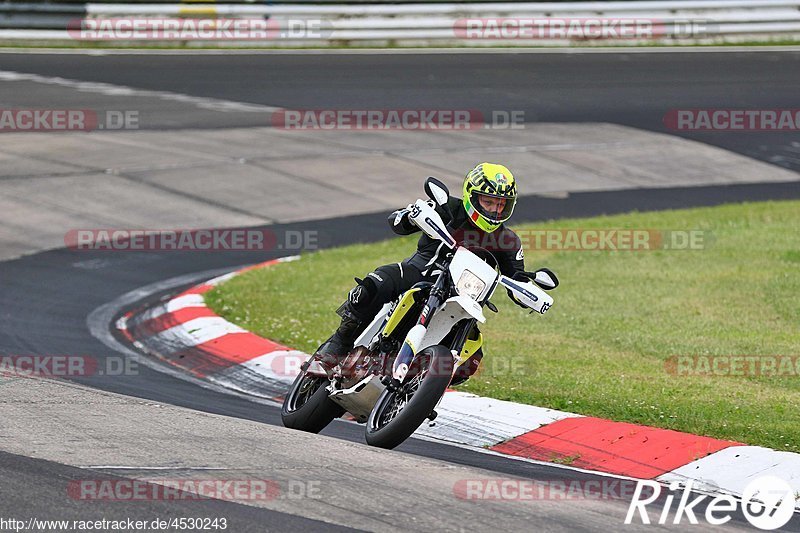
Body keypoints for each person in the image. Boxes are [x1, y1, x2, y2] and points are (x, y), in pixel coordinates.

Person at [316, 162, 529, 385]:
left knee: (471, 361)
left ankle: (416, 391)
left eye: (501, 205)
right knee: (374, 285)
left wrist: (528, 291)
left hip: (460, 299)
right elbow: (396, 223)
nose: (494, 210)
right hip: (419, 273)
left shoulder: (509, 241)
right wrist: (411, 215)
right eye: (488, 202)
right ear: (472, 196)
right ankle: (337, 345)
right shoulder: (448, 207)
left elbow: (518, 278)